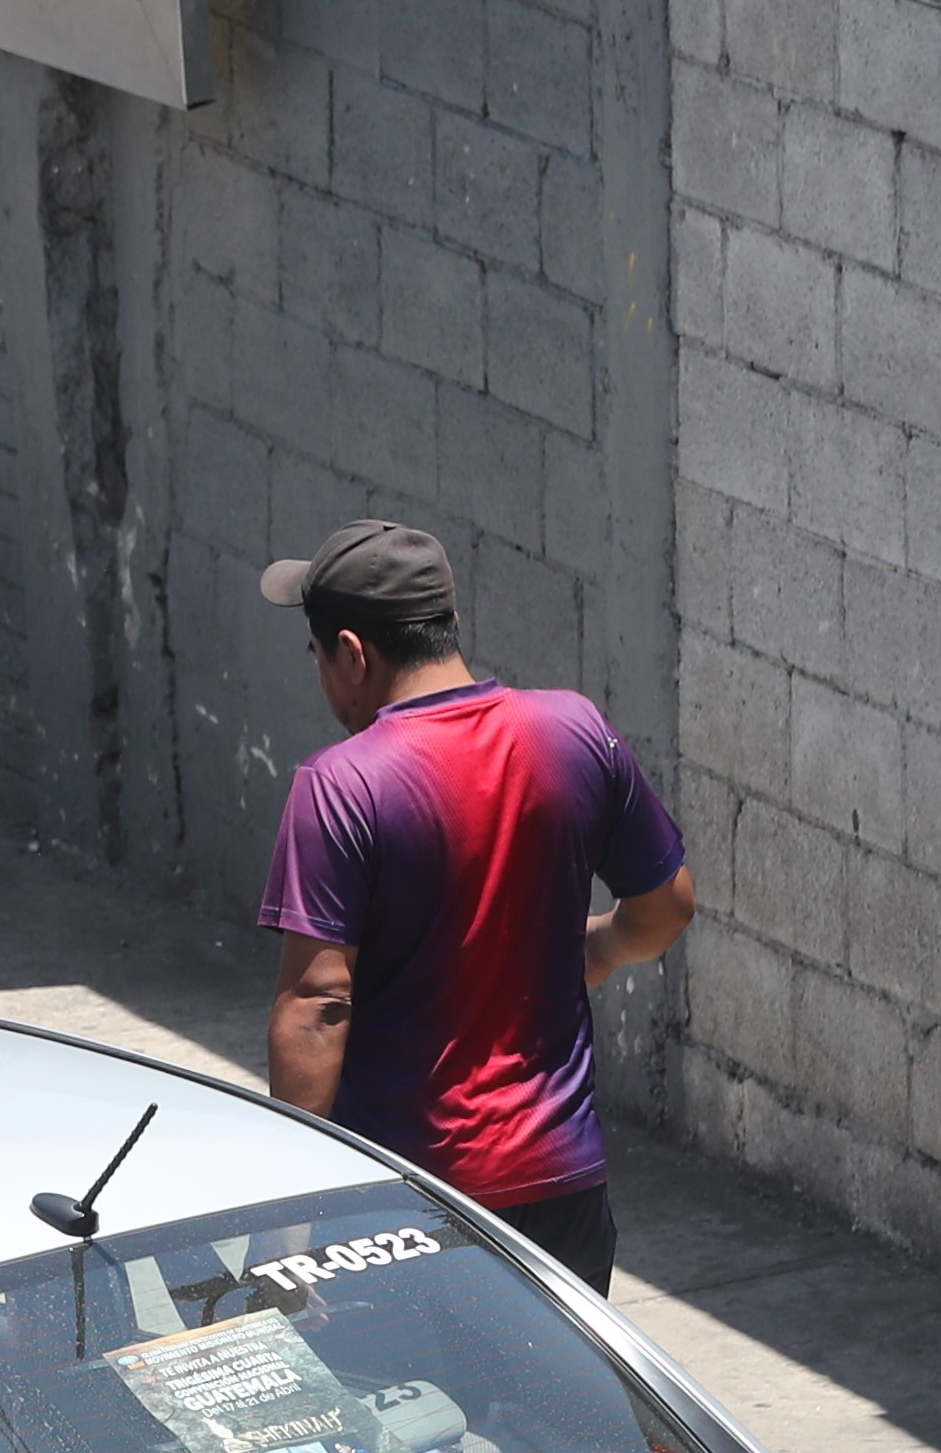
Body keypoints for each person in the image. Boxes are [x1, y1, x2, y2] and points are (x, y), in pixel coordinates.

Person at [253, 521, 694, 1291]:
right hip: (565, 1192)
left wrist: (285, 1229)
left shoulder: (342, 784)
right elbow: (666, 908)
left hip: (408, 1206)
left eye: (319, 656)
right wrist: (600, 949)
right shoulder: (573, 732)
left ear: (353, 654)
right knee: (553, 1412)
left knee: (409, 1411)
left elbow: (318, 1004)